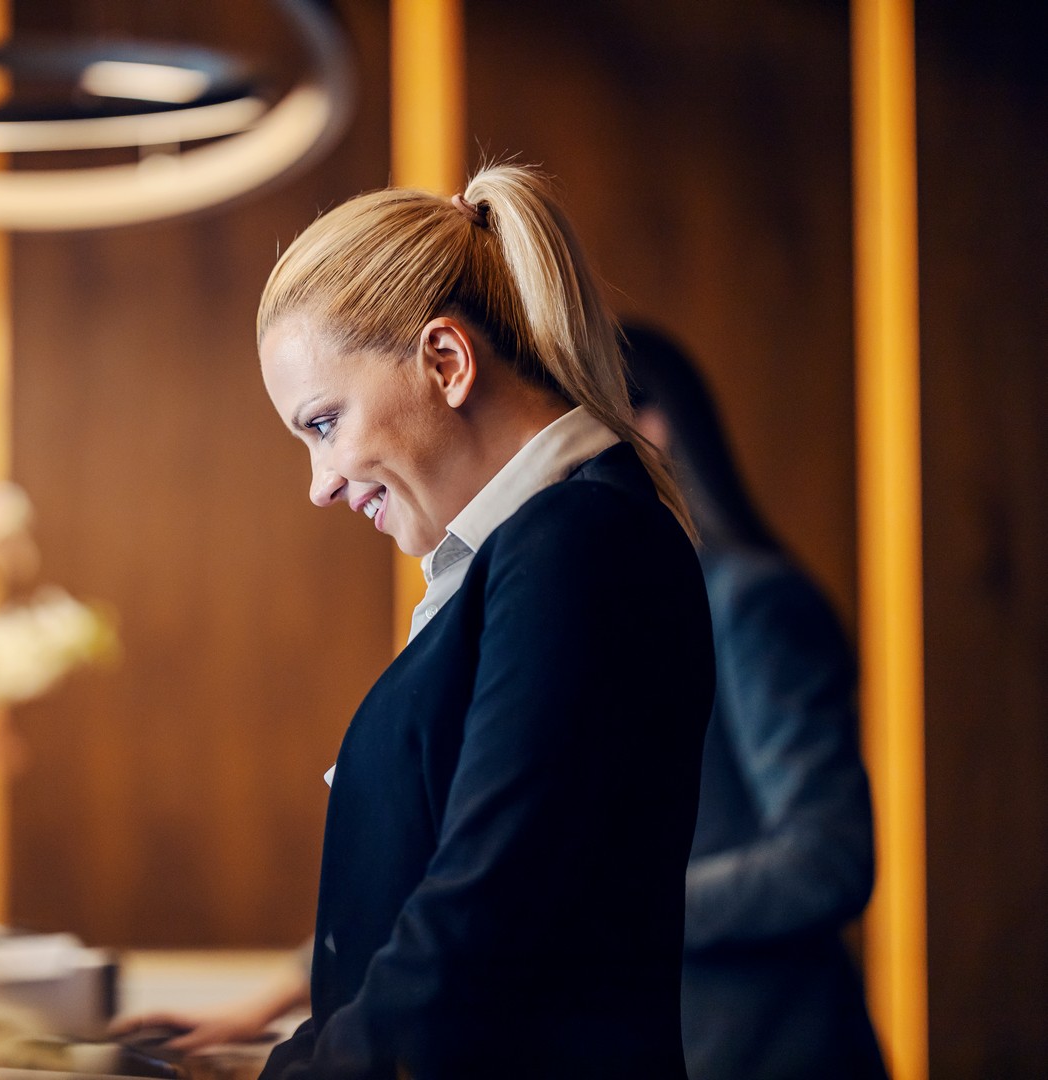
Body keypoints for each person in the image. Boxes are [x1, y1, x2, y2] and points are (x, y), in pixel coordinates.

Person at [207, 163, 714, 1078]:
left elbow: (482, 927)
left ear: (446, 361)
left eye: (323, 423)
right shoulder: (535, 548)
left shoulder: (581, 543)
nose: (319, 486)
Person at [623, 324, 888, 1080]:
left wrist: (626, 910)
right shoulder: (620, 616)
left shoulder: (747, 601)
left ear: (652, 428)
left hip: (770, 1052)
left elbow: (827, 858)